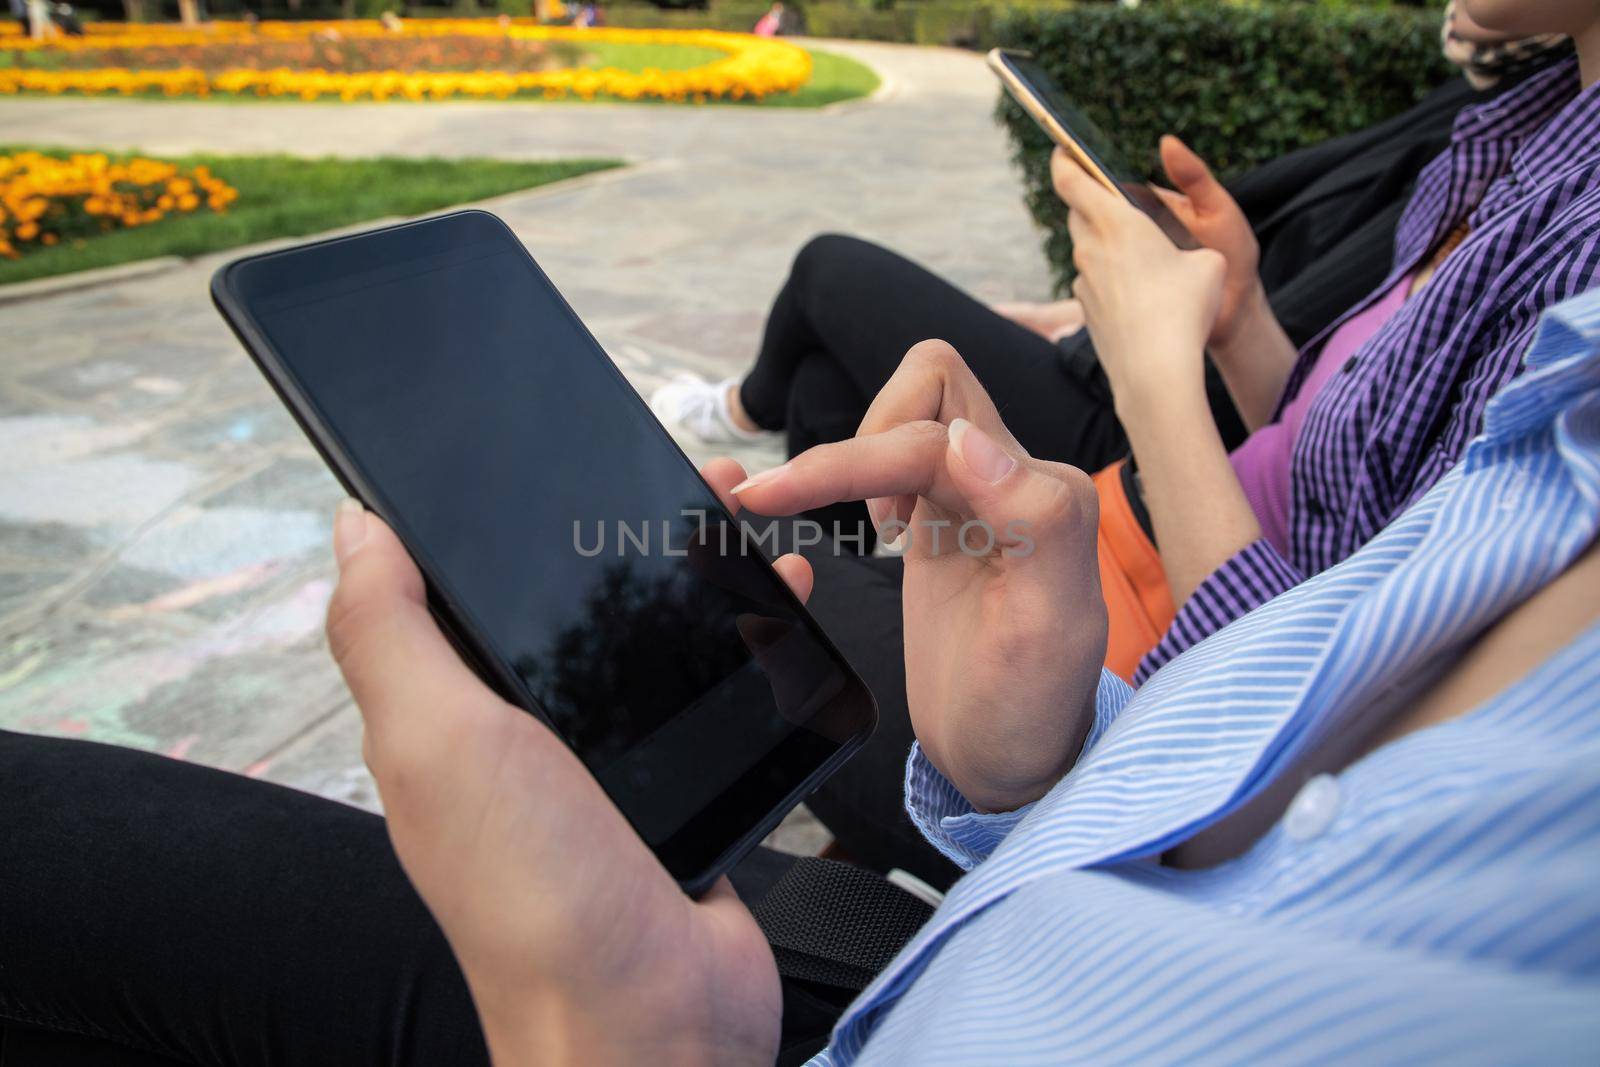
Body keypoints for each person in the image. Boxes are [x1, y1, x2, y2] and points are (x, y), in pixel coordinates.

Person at [2, 282, 1597, 1067]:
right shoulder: (1575, 377)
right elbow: (1315, 828)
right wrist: (1041, 768)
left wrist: (616, 1042)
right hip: (951, 933)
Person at [672, 0, 1600, 884]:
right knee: (819, 432)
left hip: (1157, 665)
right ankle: (856, 781)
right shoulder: (1532, 131)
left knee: (699, 543)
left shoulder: (1578, 250)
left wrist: (1153, 375)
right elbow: (1352, 475)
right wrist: (1238, 324)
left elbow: (1324, 745)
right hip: (1124, 561)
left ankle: (858, 799)